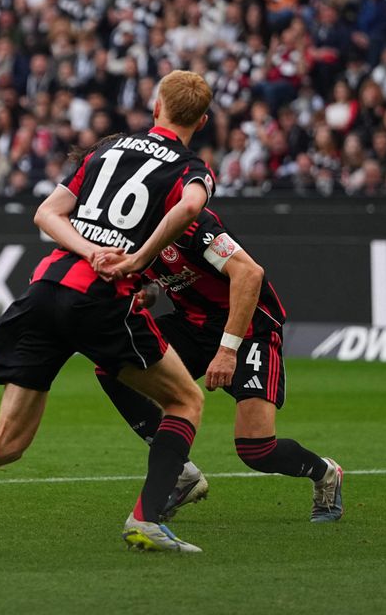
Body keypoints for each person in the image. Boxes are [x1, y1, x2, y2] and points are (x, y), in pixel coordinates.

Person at [0, 70, 216, 554]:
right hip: (100, 302)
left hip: (44, 291)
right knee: (186, 401)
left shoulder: (106, 150)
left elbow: (46, 214)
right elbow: (190, 207)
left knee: (9, 440)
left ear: (156, 107)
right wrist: (135, 260)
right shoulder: (189, 167)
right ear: (201, 120)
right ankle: (146, 519)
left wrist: (89, 249)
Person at [94, 207, 344, 523]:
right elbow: (154, 284)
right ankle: (181, 472)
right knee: (114, 364)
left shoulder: (190, 222)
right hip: (192, 325)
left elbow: (250, 274)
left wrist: (227, 351)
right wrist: (145, 294)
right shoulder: (127, 231)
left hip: (250, 328)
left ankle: (325, 474)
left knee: (257, 450)